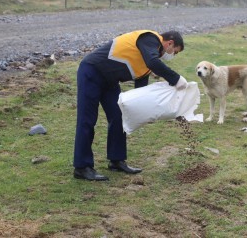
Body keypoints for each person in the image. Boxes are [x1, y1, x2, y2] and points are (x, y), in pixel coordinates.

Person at [73, 30, 187, 181]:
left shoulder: (148, 59)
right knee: (87, 119)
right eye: (175, 52)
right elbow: (154, 62)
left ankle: (116, 160)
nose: (172, 55)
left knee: (119, 116)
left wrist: (147, 112)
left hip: (110, 81)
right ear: (170, 43)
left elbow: (140, 93)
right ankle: (82, 167)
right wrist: (177, 79)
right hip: (91, 71)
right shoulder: (150, 39)